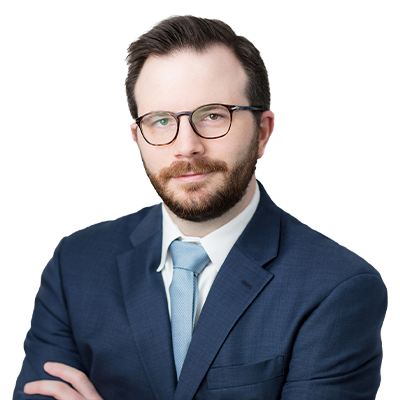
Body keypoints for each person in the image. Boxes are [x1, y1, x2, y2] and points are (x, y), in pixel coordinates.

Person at [14, 15, 387, 400]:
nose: (186, 146)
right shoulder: (75, 265)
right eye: (161, 120)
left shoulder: (337, 289)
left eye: (212, 115)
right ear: (138, 138)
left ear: (262, 133)